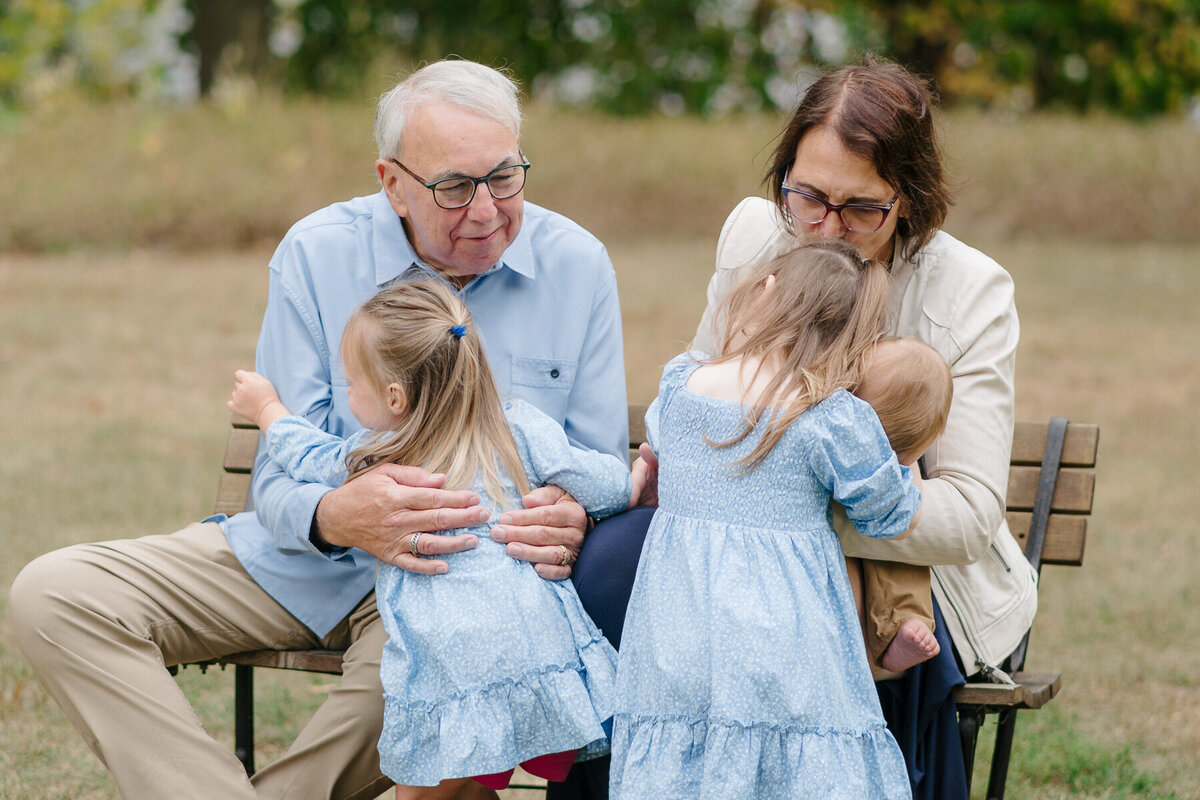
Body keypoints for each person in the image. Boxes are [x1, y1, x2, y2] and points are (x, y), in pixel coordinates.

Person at [10, 58, 626, 800]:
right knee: (55, 595)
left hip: (453, 591)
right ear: (391, 181)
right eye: (455, 188)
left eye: (505, 177)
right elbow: (279, 474)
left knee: (442, 684)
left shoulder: (578, 265)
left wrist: (574, 514)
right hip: (297, 559)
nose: (488, 209)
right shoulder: (316, 252)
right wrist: (336, 514)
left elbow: (598, 471)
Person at [561, 54, 1035, 800]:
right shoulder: (758, 238)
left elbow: (969, 517)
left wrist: (786, 517)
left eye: (861, 208)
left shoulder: (967, 290)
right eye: (807, 197)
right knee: (607, 570)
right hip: (728, 531)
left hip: (899, 572)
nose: (830, 229)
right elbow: (706, 379)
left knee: (802, 615)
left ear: (906, 199)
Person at [228, 279, 630, 797]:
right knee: (477, 784)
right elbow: (605, 483)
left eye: (352, 384)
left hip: (451, 659)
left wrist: (266, 410)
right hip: (538, 653)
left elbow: (309, 455)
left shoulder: (383, 453)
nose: (347, 396)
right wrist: (629, 482)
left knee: (427, 789)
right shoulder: (520, 426)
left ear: (394, 397)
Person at [610, 240, 918, 799]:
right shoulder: (829, 415)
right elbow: (886, 515)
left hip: (678, 624)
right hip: (788, 631)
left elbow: (659, 453)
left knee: (681, 759)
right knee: (795, 765)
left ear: (767, 292)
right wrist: (905, 466)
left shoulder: (680, 385)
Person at [849, 336, 952, 679]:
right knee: (902, 564)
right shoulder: (906, 468)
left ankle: (902, 631)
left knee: (901, 558)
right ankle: (906, 624)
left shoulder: (851, 441)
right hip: (881, 549)